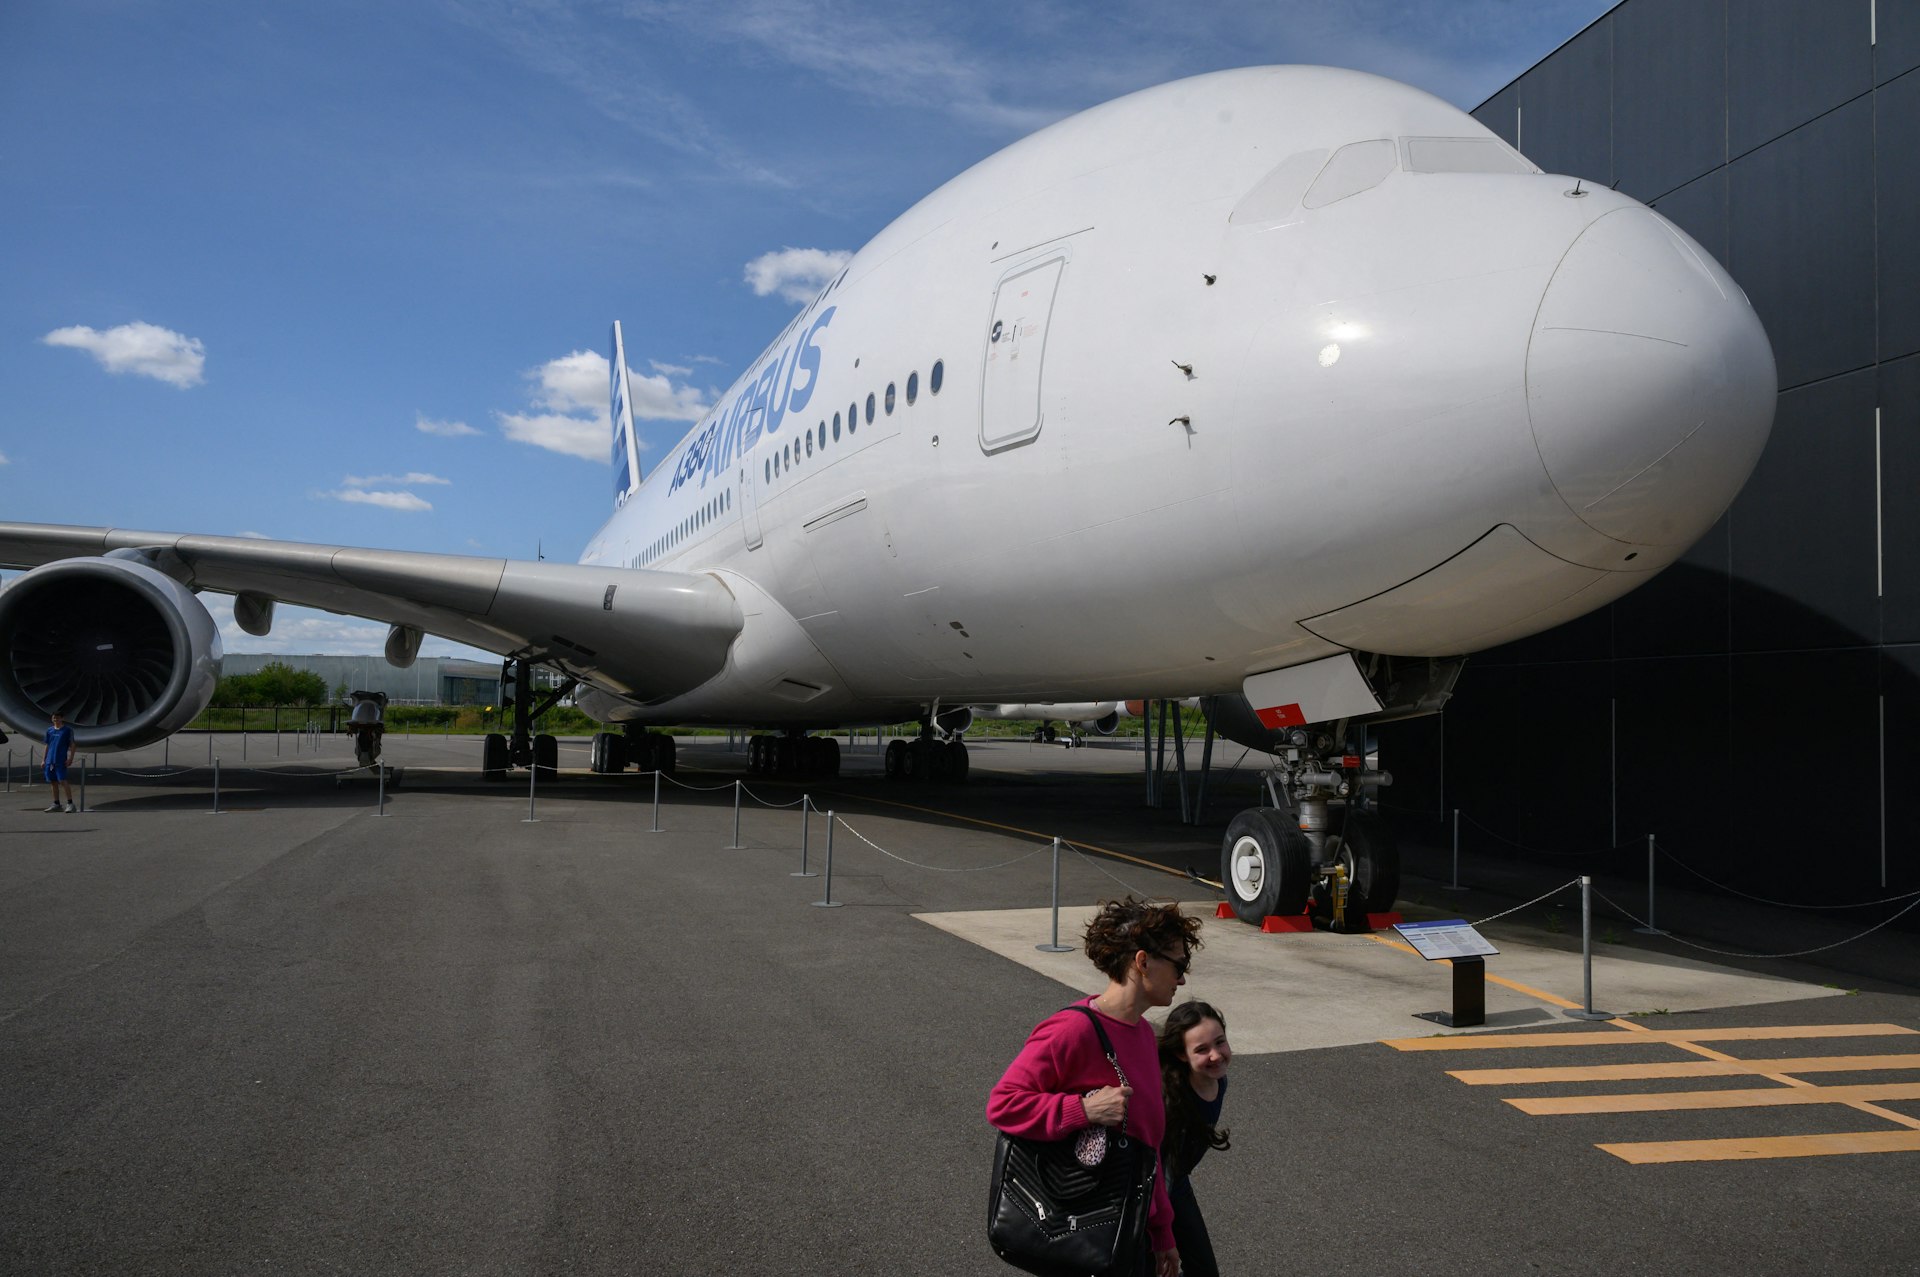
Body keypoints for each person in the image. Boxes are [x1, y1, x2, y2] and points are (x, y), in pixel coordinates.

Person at [988, 897, 1202, 1277]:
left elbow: (1147, 1149)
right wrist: (1082, 1111)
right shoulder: (1073, 1030)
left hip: (1127, 1229)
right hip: (1087, 1227)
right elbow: (1003, 1104)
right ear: (1142, 961)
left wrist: (1162, 1232)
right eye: (1179, 965)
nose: (1183, 978)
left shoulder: (1141, 1035)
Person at [1158, 1001, 1233, 1277]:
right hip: (1154, 1194)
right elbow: (1157, 1171)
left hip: (1177, 1184)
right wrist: (1162, 1233)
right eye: (1201, 1050)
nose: (1216, 1055)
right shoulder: (1173, 1101)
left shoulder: (1218, 1081)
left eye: (1220, 1042)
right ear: (1181, 1054)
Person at [43, 711, 76, 812]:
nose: (55, 720)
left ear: (62, 719)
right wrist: (43, 759)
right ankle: (56, 803)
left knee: (62, 780)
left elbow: (72, 745)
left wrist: (70, 758)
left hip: (60, 759)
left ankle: (70, 803)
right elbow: (47, 745)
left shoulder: (67, 730)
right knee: (53, 782)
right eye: (54, 718)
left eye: (57, 718)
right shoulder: (49, 730)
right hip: (50, 760)